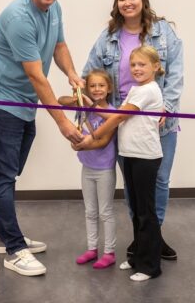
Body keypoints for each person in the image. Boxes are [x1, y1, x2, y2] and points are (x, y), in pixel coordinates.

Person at [0, 0, 84, 277]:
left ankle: (4, 235)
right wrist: (64, 123)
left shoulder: (55, 9)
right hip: (1, 104)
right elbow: (38, 77)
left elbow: (60, 45)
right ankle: (13, 249)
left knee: (11, 170)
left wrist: (72, 74)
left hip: (25, 104)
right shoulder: (19, 18)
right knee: (3, 175)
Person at [81, 0, 183, 260]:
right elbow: (89, 73)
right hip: (121, 122)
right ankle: (141, 236)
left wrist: (167, 108)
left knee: (159, 180)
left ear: (142, 0)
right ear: (117, 5)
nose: (128, 2)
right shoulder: (108, 36)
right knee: (133, 184)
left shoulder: (163, 32)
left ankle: (154, 235)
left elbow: (175, 73)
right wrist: (87, 104)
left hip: (158, 120)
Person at [74, 46, 164, 281]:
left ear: (155, 66)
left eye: (142, 64)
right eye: (133, 65)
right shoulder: (136, 90)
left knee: (146, 213)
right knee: (136, 211)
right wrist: (92, 108)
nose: (136, 69)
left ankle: (149, 266)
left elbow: (118, 117)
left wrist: (93, 137)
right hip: (131, 155)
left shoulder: (148, 91)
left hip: (146, 157)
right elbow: (114, 115)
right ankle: (137, 257)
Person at [58, 69, 117, 269]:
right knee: (90, 211)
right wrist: (78, 96)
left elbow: (103, 141)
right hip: (87, 168)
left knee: (105, 212)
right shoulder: (85, 107)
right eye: (93, 86)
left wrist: (80, 145)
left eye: (101, 85)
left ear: (109, 89)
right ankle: (92, 249)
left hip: (104, 170)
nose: (97, 89)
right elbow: (59, 100)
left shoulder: (111, 113)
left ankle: (109, 252)